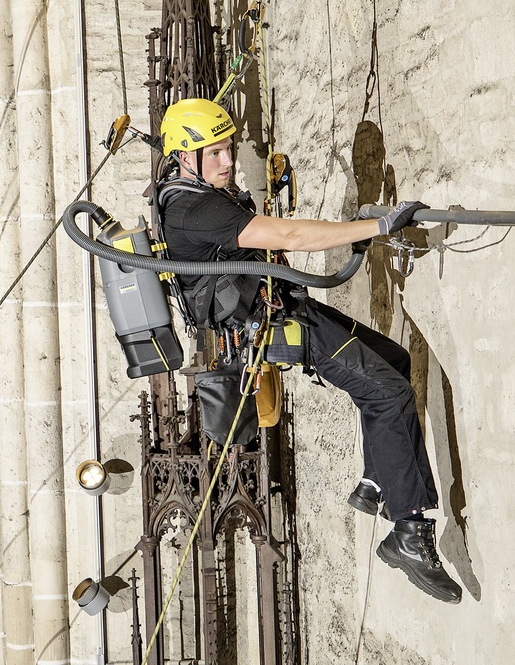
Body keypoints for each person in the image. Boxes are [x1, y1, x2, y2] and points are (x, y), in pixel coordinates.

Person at [154, 97, 462, 604]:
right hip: (274, 321)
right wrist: (377, 228)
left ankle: (377, 483)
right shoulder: (195, 208)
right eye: (216, 153)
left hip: (278, 303)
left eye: (229, 148)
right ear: (185, 156)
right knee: (389, 394)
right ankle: (409, 534)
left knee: (394, 363)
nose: (228, 161)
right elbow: (293, 236)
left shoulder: (186, 191)